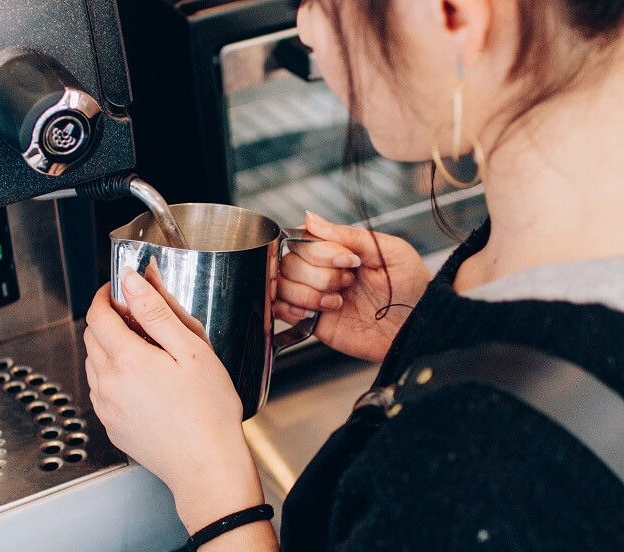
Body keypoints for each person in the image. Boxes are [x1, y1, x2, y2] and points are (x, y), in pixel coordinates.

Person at [84, 0, 624, 549]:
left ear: (452, 14)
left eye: (320, 3)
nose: (306, 28)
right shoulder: (551, 233)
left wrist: (211, 481)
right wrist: (432, 332)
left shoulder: (490, 477)